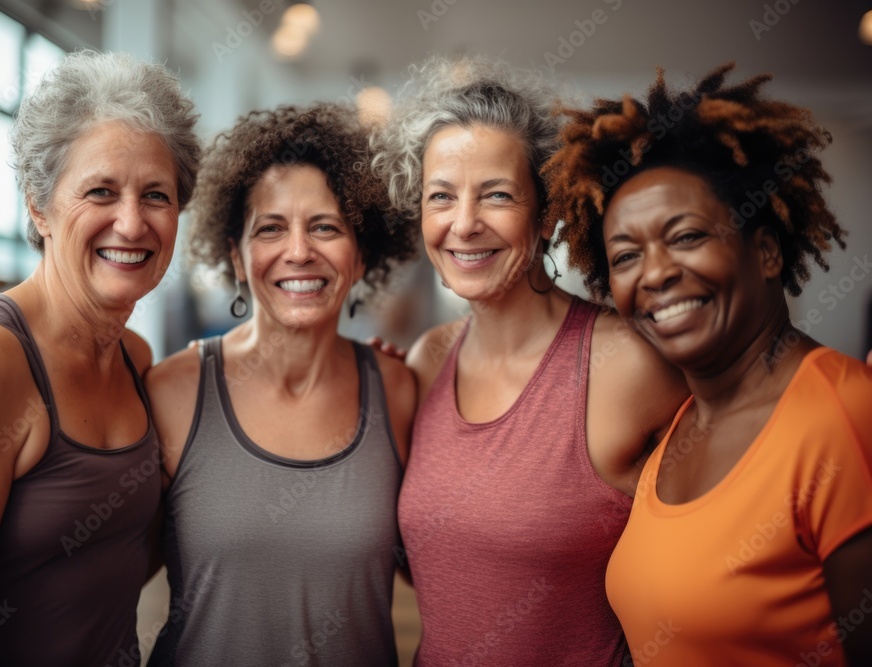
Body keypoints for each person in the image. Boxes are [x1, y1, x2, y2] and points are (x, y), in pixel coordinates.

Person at [0, 50, 201, 666]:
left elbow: (109, 554)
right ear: (38, 206)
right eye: (100, 191)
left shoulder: (135, 356)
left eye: (155, 195)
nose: (131, 223)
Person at [543, 62, 872, 666]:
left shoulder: (844, 412)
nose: (656, 272)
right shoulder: (677, 427)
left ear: (766, 250)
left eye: (688, 236)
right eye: (625, 255)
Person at [369, 56, 688, 665]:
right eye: (441, 196)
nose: (464, 224)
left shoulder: (626, 362)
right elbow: (452, 564)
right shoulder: (428, 359)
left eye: (496, 195)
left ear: (547, 213)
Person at [145, 103, 419, 666]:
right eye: (271, 228)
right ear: (237, 258)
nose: (299, 251)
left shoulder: (399, 390)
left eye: (325, 226)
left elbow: (441, 568)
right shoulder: (171, 391)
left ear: (361, 254)